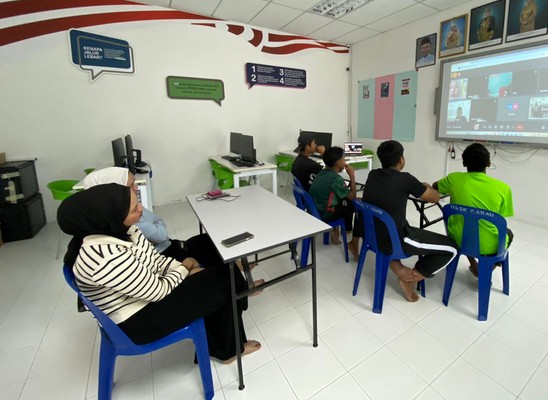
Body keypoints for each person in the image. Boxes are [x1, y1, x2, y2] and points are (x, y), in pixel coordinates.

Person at [57, 183, 261, 363]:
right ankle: (229, 349)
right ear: (110, 216)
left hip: (143, 296)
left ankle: (228, 331)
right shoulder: (102, 257)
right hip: (136, 321)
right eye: (134, 208)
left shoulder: (124, 230)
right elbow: (158, 292)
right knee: (223, 278)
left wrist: (183, 269)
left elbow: (154, 260)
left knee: (217, 274)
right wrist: (184, 268)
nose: (141, 209)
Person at [81, 167, 260, 293]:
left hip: (166, 250)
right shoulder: (125, 221)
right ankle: (242, 287)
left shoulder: (130, 211)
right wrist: (185, 266)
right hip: (165, 254)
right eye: (130, 186)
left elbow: (158, 222)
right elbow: (160, 232)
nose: (136, 188)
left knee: (208, 240)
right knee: (213, 260)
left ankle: (236, 268)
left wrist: (155, 222)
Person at [362, 140, 458, 302]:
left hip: (371, 235)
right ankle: (411, 279)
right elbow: (434, 197)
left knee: (399, 227)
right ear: (401, 159)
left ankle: (399, 269)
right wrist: (426, 186)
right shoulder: (405, 179)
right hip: (395, 239)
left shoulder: (372, 175)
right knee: (452, 247)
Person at [432, 143, 514, 277]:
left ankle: (474, 264)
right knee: (508, 233)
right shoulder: (503, 188)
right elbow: (500, 217)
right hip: (489, 245)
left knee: (467, 228)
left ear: (464, 163)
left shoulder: (453, 179)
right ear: (488, 163)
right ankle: (487, 269)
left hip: (457, 239)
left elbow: (435, 186)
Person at [309, 146, 361, 260]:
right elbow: (353, 197)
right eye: (343, 158)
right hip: (325, 214)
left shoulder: (322, 172)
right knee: (359, 205)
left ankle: (345, 230)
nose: (345, 161)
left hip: (315, 210)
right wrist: (352, 176)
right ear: (338, 163)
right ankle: (354, 241)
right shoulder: (336, 179)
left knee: (346, 200)